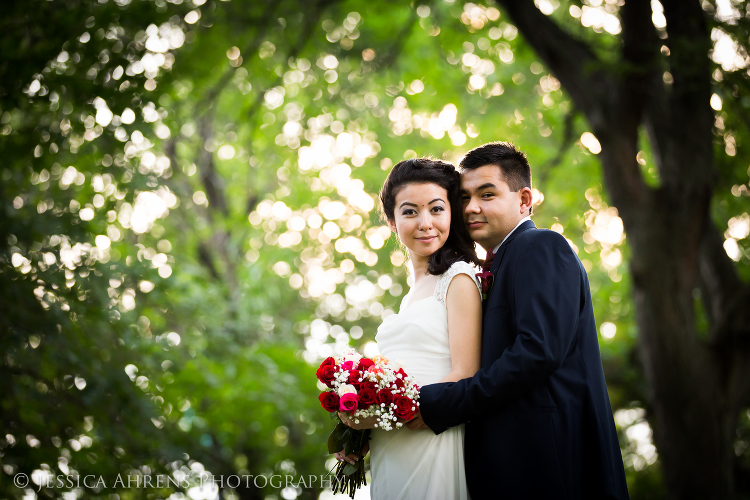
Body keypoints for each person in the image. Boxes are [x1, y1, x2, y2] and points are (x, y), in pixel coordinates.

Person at [409, 142, 630, 500]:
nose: (471, 208)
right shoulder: (492, 267)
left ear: (524, 199)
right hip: (510, 465)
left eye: (487, 194)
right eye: (463, 198)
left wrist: (444, 403)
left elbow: (536, 352)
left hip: (553, 464)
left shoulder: (541, 246)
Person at [335, 158, 483, 499]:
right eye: (410, 212)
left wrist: (379, 411)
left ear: (451, 213)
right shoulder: (410, 296)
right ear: (391, 221)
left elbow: (465, 375)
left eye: (436, 209)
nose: (425, 223)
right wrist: (359, 427)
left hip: (431, 437)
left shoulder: (458, 278)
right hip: (392, 446)